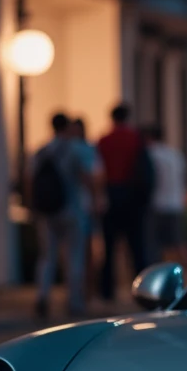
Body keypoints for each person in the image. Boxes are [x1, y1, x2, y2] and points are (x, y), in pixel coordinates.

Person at [29, 113, 88, 320]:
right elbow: (91, 175)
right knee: (74, 256)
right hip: (72, 209)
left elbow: (30, 180)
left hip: (47, 211)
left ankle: (42, 295)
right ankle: (74, 301)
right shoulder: (77, 149)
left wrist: (34, 207)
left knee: (47, 256)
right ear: (68, 127)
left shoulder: (41, 151)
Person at [97, 103, 152, 300]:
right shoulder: (135, 139)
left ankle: (107, 291)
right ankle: (143, 290)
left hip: (110, 196)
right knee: (137, 246)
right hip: (132, 197)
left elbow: (98, 170)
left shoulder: (104, 141)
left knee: (109, 247)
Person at [144, 124, 187, 266]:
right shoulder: (175, 155)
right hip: (175, 204)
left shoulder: (150, 154)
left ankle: (157, 276)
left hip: (156, 205)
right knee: (179, 243)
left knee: (153, 247)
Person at [70, 117, 104, 308]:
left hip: (74, 208)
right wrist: (97, 197)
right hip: (82, 208)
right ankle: (83, 295)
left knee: (79, 253)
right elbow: (96, 176)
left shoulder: (59, 149)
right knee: (84, 253)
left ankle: (83, 294)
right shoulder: (87, 150)